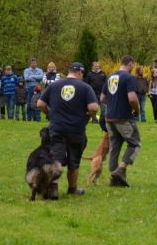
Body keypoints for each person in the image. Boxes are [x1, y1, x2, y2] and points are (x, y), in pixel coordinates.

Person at [37, 62, 99, 198]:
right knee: (74, 161)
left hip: (57, 129)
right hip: (76, 130)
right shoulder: (85, 87)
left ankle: (52, 188)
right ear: (80, 73)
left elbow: (40, 104)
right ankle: (72, 189)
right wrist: (90, 115)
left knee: (56, 159)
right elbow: (94, 107)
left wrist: (49, 114)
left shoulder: (54, 85)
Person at [100, 55, 141, 187]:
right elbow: (133, 99)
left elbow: (102, 98)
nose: (132, 68)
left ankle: (114, 180)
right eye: (132, 66)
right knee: (135, 144)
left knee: (114, 147)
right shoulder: (129, 78)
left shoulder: (110, 77)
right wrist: (136, 110)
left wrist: (114, 102)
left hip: (109, 118)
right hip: (123, 117)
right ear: (129, 64)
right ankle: (121, 169)